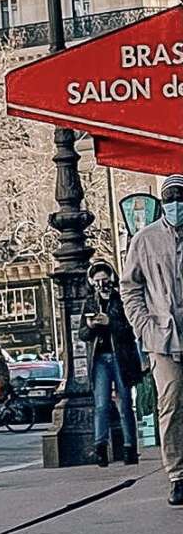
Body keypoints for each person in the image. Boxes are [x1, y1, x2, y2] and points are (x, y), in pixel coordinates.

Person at [122, 173, 183, 504]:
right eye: (170, 198)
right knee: (171, 402)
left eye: (180, 197)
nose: (176, 204)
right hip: (162, 337)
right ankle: (177, 474)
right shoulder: (144, 240)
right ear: (162, 202)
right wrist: (144, 326)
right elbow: (130, 287)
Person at [78, 260, 141, 468]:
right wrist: (91, 325)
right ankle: (101, 449)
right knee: (101, 405)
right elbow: (83, 334)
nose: (101, 285)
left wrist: (110, 323)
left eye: (105, 280)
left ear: (111, 279)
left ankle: (130, 448)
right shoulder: (90, 302)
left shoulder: (121, 299)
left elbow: (131, 329)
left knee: (124, 404)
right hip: (100, 359)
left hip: (120, 358)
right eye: (97, 281)